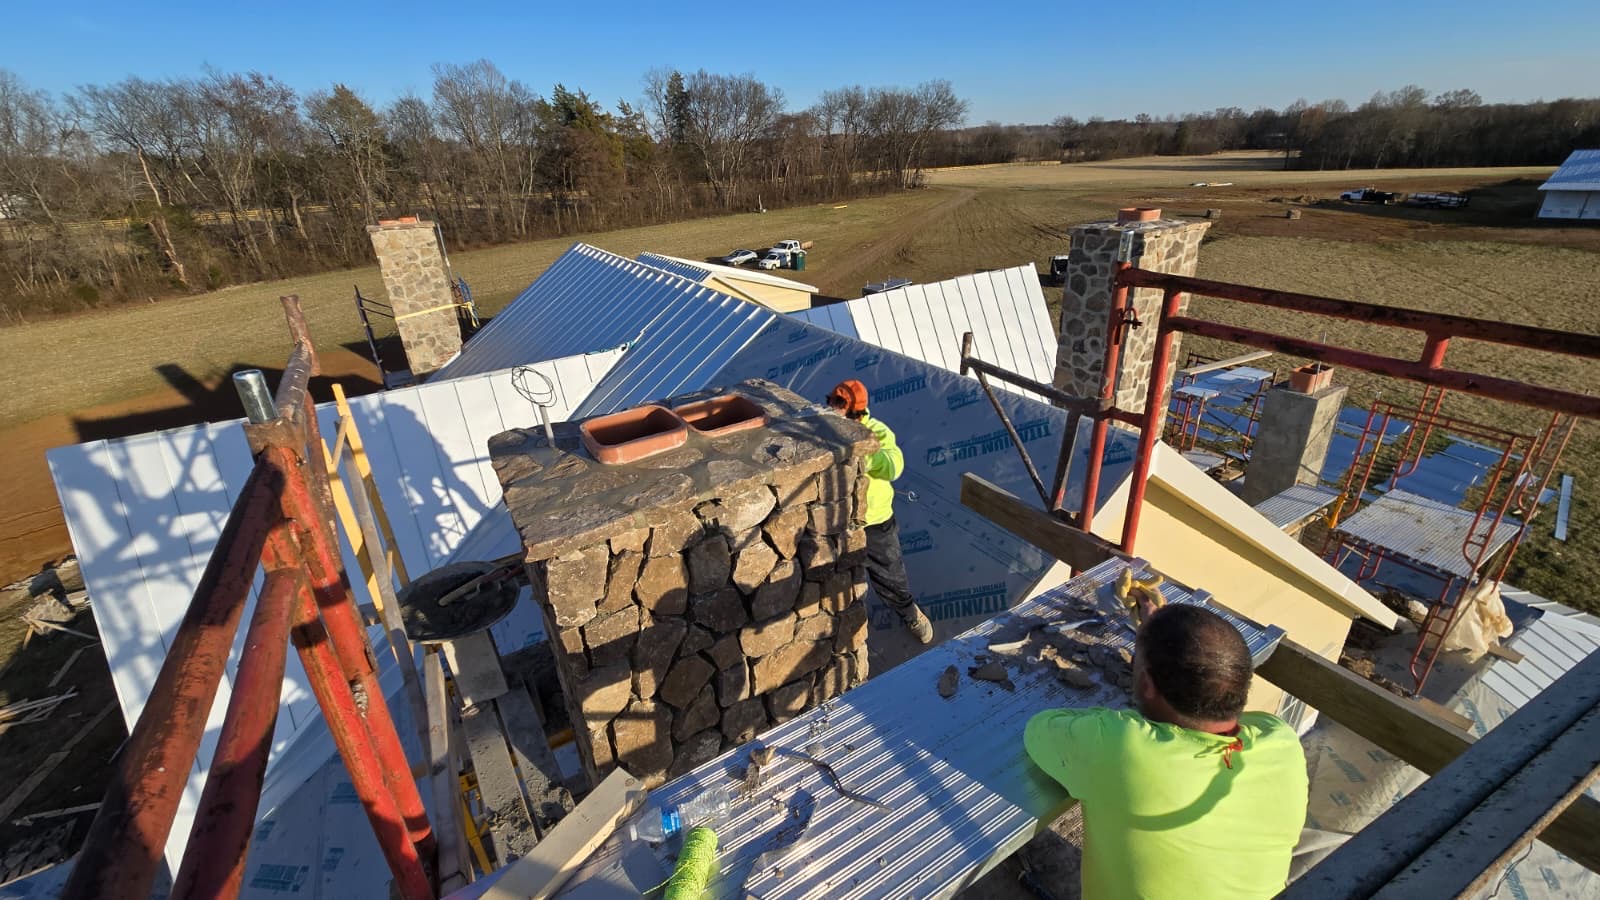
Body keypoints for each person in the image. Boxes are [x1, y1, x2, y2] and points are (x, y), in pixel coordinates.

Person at [1023, 600, 1308, 899]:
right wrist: (1160, 642)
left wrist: (1152, 653)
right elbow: (1211, 703)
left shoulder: (1122, 746)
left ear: (1147, 683)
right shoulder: (1283, 742)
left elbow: (1040, 728)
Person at [826, 379, 934, 644]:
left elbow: (894, 466)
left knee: (890, 575)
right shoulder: (826, 428)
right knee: (838, 578)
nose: (832, 409)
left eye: (839, 405)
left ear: (856, 412)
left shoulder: (877, 432)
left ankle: (909, 613)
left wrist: (864, 454)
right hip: (839, 523)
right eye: (831, 402)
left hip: (875, 521)